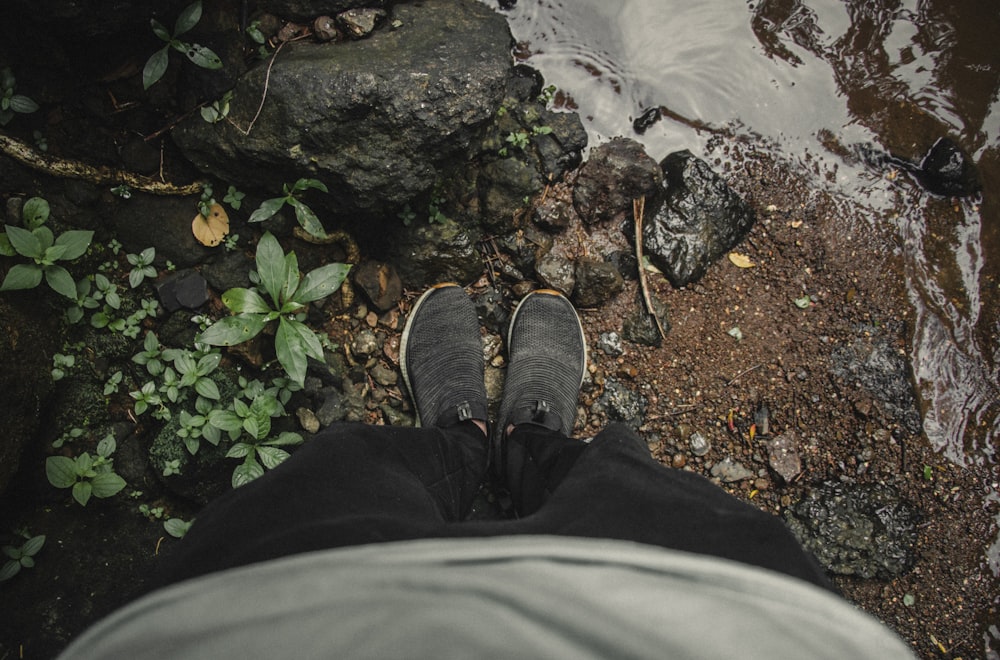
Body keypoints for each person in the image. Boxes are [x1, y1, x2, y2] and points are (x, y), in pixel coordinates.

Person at [59, 285, 915, 659]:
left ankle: (464, 445)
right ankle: (521, 449)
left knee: (343, 475)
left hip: (263, 623)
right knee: (625, 487)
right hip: (716, 632)